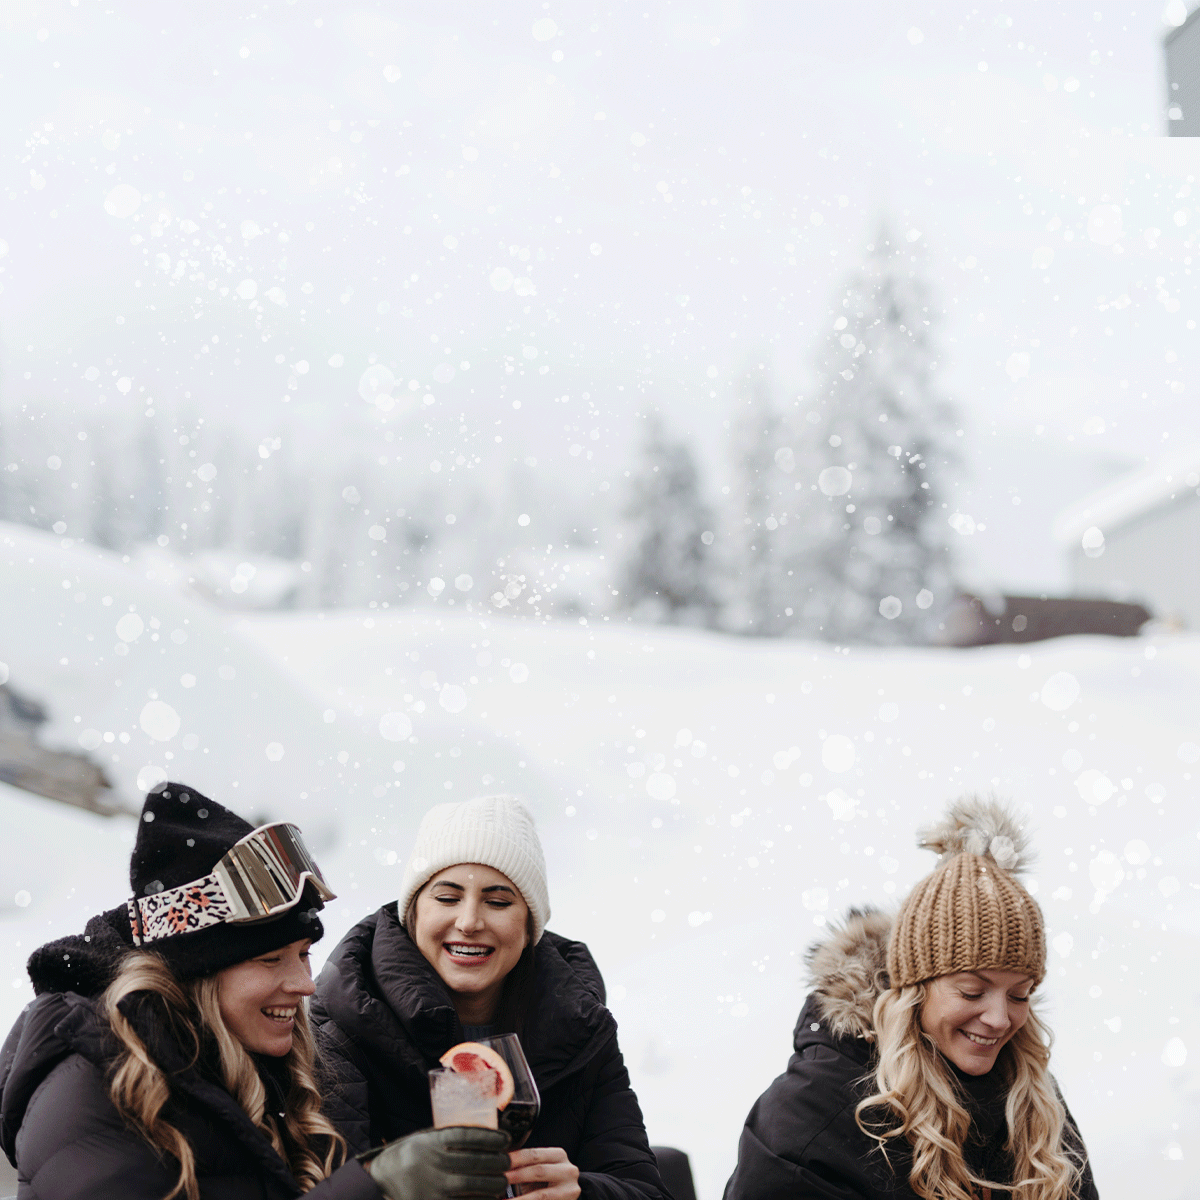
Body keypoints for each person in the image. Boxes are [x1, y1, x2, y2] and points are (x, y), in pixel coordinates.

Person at [0, 783, 511, 1200]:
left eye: (304, 954)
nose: (305, 983)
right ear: (193, 973)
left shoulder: (248, 1067)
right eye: (270, 959)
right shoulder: (96, 1093)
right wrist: (375, 1187)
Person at [723, 797, 1100, 1200]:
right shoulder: (812, 1117)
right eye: (972, 991)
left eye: (1019, 995)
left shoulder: (1032, 1100)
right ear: (913, 989)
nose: (999, 1018)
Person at [312, 794, 668, 1200]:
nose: (469, 922)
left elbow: (645, 1190)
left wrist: (582, 1193)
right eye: (447, 898)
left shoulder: (580, 1026)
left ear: (530, 926)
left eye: (497, 902)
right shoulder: (342, 1022)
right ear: (413, 914)